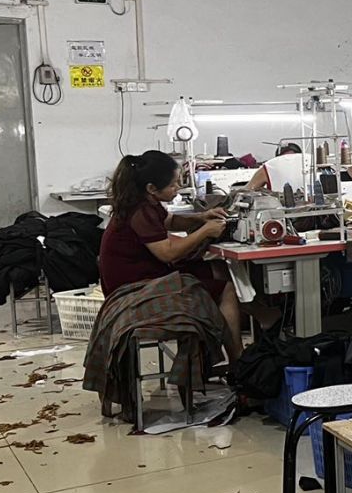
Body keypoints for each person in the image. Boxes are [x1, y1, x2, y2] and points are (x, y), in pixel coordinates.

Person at [98, 150, 244, 360]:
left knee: (220, 269)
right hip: (135, 291)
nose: (178, 188)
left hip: (147, 276)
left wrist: (202, 217)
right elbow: (168, 254)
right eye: (173, 185)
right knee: (226, 289)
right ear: (152, 188)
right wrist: (205, 231)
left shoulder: (145, 203)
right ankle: (238, 359)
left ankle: (263, 320)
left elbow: (171, 221)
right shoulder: (140, 212)